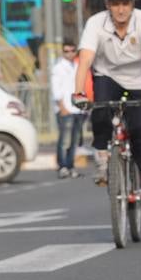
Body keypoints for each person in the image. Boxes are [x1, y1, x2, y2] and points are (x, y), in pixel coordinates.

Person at [73, 0, 141, 217]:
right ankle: (102, 159)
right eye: (115, 3)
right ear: (107, 5)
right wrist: (78, 92)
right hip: (107, 75)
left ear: (133, 4)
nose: (121, 9)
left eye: (125, 3)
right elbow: (85, 60)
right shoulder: (95, 23)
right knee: (100, 110)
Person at [50, 39, 85, 178]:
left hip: (77, 108)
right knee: (64, 140)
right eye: (66, 51)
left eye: (72, 51)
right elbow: (55, 89)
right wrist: (62, 107)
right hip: (65, 108)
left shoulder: (77, 66)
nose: (69, 53)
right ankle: (62, 166)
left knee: (75, 140)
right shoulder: (58, 67)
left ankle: (71, 166)